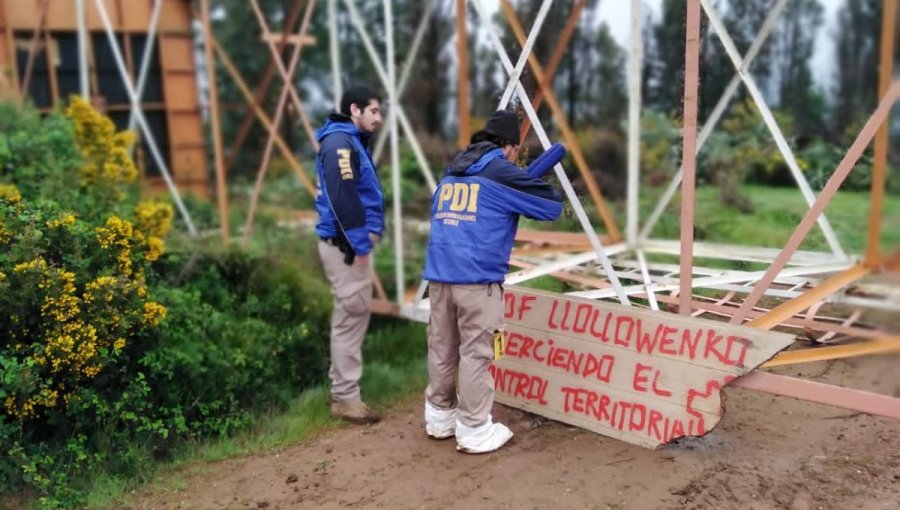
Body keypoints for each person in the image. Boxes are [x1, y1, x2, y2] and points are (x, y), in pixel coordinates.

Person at [422, 110, 565, 453]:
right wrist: (516, 195)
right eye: (516, 150)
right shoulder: (501, 170)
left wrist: (507, 199)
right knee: (476, 353)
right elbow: (550, 206)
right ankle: (473, 429)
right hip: (477, 280)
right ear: (509, 146)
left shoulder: (453, 168)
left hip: (439, 277)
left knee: (442, 348)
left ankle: (439, 417)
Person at [314, 85, 384, 424]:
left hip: (347, 244)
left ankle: (344, 391)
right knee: (351, 314)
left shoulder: (347, 141)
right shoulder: (340, 143)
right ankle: (345, 397)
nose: (378, 118)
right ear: (354, 109)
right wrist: (359, 243)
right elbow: (342, 196)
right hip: (345, 246)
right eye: (374, 111)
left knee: (352, 314)